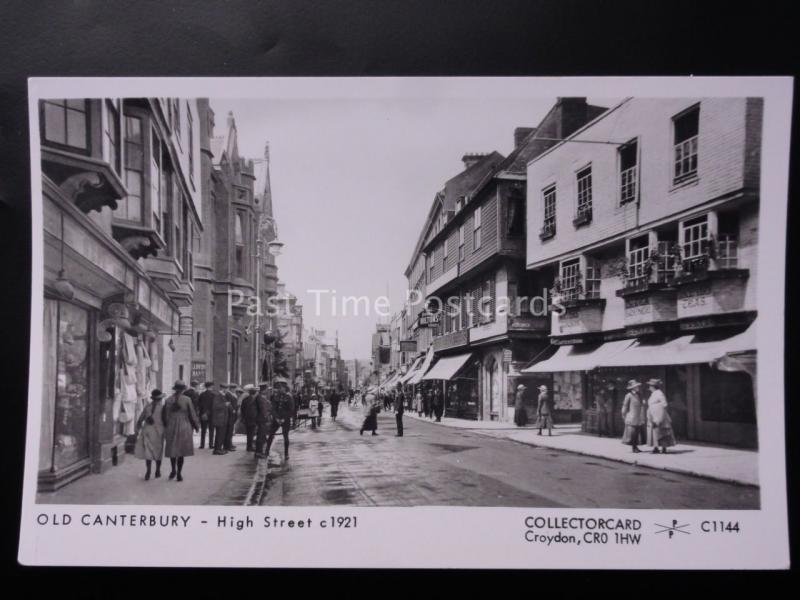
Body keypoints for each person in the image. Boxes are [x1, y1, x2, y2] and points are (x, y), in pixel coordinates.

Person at [162, 380, 199, 481]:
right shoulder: (187, 399)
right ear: (183, 389)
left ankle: (173, 470)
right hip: (184, 426)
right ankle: (179, 473)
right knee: (181, 451)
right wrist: (196, 426)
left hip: (171, 426)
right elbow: (192, 414)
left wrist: (166, 427)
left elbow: (165, 416)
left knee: (173, 449)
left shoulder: (168, 400)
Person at [134, 389, 165, 480]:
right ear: (160, 399)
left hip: (147, 431)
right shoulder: (163, 408)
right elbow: (166, 420)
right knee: (158, 452)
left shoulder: (147, 407)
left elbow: (140, 420)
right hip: (159, 431)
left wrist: (137, 430)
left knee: (148, 452)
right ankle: (158, 471)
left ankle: (148, 471)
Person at [265, 377, 295, 463]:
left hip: (285, 420)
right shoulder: (275, 397)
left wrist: (284, 419)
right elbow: (273, 409)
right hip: (277, 419)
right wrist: (277, 418)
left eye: (281, 387)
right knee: (271, 434)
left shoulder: (289, 397)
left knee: (286, 437)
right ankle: (267, 451)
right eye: (279, 387)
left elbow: (291, 410)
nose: (280, 388)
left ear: (285, 388)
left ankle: (286, 454)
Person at [646, 378, 676, 454]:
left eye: (650, 386)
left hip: (659, 416)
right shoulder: (653, 394)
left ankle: (664, 448)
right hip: (653, 415)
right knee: (655, 432)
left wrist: (657, 410)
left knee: (662, 432)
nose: (649, 387)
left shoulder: (659, 393)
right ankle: (656, 447)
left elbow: (664, 404)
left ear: (653, 386)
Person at [621, 379, 646, 453]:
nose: (638, 387)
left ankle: (636, 447)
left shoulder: (639, 394)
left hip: (638, 416)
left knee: (637, 432)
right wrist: (623, 414)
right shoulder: (629, 395)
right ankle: (633, 447)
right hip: (632, 416)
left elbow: (641, 404)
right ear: (632, 388)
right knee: (633, 433)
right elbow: (625, 406)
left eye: (637, 386)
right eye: (636, 386)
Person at [254, 383, 274, 458]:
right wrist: (267, 417)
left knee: (262, 436)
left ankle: (259, 451)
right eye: (266, 389)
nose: (267, 391)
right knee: (260, 436)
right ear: (263, 390)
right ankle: (258, 453)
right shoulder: (260, 398)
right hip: (261, 419)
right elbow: (263, 410)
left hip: (262, 419)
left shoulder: (262, 397)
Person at [211, 384, 230, 455]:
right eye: (226, 388)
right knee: (219, 434)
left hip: (222, 418)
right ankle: (217, 449)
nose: (227, 390)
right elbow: (215, 406)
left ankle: (219, 448)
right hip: (219, 418)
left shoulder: (222, 396)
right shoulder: (218, 396)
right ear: (223, 388)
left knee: (221, 434)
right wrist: (225, 405)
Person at [197, 381, 216, 449]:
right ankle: (211, 445)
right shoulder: (214, 395)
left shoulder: (202, 394)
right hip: (211, 414)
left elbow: (199, 404)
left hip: (203, 414)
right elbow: (213, 405)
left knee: (203, 430)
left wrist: (203, 412)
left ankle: (202, 445)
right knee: (211, 430)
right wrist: (208, 412)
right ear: (211, 386)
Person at [240, 385, 259, 451]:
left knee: (249, 433)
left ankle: (249, 446)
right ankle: (249, 447)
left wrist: (243, 418)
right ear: (255, 393)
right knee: (251, 433)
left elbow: (242, 409)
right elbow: (255, 410)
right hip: (253, 419)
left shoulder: (245, 399)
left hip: (246, 419)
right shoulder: (255, 400)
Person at [224, 384, 240, 451]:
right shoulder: (228, 394)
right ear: (231, 388)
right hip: (230, 414)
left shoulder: (232, 394)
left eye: (235, 388)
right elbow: (228, 404)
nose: (234, 390)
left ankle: (230, 444)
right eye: (233, 388)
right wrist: (232, 410)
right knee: (229, 430)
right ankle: (228, 446)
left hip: (233, 415)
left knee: (231, 430)